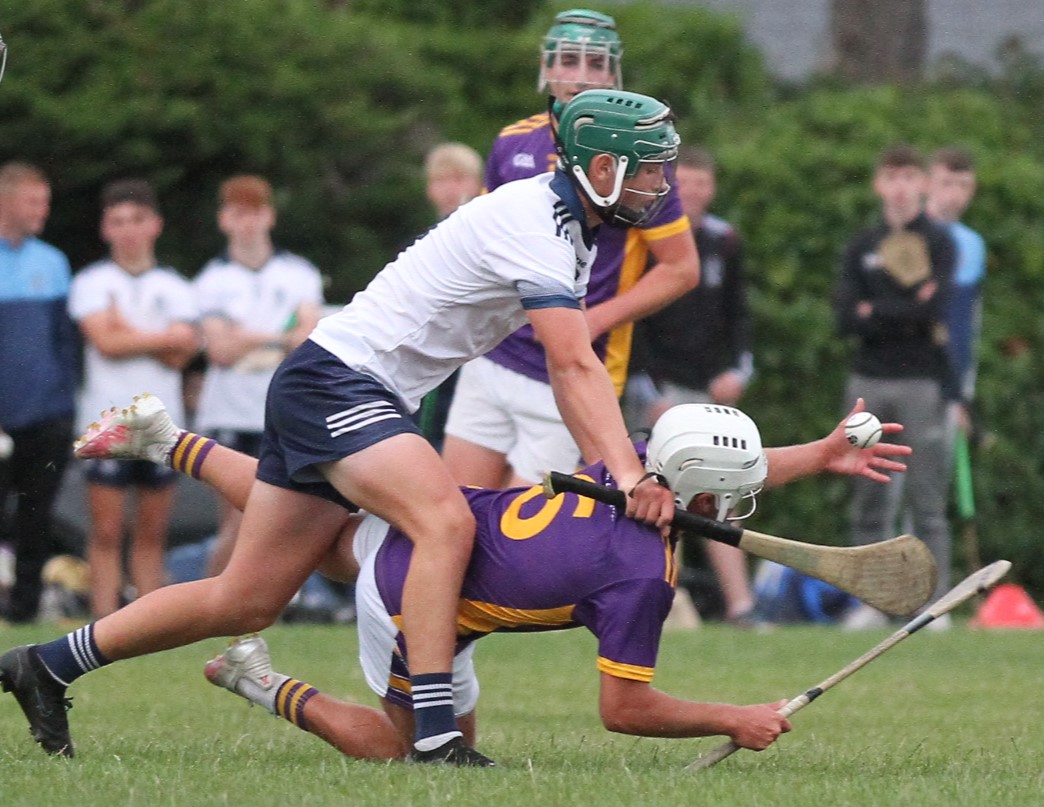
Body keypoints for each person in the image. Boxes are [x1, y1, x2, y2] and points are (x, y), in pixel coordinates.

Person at [0, 89, 678, 764]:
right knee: (445, 520)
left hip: (336, 382)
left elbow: (570, 374)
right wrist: (629, 473)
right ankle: (438, 737)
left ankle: (47, 663)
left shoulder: (573, 229)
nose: (660, 183)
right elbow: (572, 365)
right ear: (601, 168)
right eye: (648, 167)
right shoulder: (539, 224)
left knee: (245, 600)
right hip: (342, 381)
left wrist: (608, 479)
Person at [76, 395, 907, 761]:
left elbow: (709, 465)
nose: (739, 495)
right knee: (407, 749)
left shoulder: (614, 465)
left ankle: (167, 438)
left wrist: (825, 455)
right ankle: (260, 681)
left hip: (434, 516)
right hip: (415, 596)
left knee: (310, 524)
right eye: (727, 490)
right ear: (689, 491)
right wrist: (738, 716)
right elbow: (623, 710)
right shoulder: (641, 575)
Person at [442, 8, 700, 489]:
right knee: (457, 506)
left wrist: (594, 319)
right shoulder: (512, 142)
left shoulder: (637, 147)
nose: (581, 75)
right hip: (494, 356)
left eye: (596, 63)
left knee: (523, 532)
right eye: (568, 59)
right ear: (547, 67)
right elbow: (485, 246)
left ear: (614, 73)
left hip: (572, 370)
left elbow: (681, 268)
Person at [627, 145, 759, 628]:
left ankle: (743, 606)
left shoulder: (725, 241)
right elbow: (633, 322)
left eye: (702, 182)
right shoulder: (646, 237)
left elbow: (740, 317)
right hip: (660, 393)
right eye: (685, 182)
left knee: (720, 494)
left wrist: (738, 374)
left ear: (712, 187)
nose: (694, 191)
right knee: (654, 498)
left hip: (710, 396)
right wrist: (649, 391)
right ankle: (658, 602)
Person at [832, 144, 957, 631]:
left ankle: (935, 603)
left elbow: (936, 309)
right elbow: (845, 317)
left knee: (927, 498)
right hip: (867, 381)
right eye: (892, 176)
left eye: (909, 176)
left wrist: (875, 310)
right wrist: (901, 309)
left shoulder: (941, 243)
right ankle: (872, 600)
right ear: (879, 184)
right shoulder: (861, 244)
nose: (901, 186)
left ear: (923, 183)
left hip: (922, 380)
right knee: (869, 498)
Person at [67, 179, 200, 617]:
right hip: (105, 421)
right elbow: (105, 342)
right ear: (105, 228)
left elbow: (183, 354)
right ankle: (103, 625)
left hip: (162, 422)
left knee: (152, 533)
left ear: (155, 225)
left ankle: (148, 622)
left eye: (136, 220)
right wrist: (160, 337)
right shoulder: (92, 282)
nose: (127, 230)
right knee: (106, 532)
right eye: (117, 221)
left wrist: (128, 330)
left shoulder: (177, 286)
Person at [193, 175, 325, 575]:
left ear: (268, 216)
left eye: (254, 213)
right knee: (237, 517)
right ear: (224, 220)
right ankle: (212, 596)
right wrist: (276, 338)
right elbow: (220, 350)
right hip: (230, 411)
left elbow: (306, 338)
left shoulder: (299, 273)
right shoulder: (212, 279)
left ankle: (231, 601)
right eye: (237, 214)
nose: (247, 223)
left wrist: (247, 337)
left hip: (281, 409)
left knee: (269, 516)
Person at [0, 162, 77, 625]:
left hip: (45, 412)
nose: (43, 210)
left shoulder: (52, 262)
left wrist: (66, 404)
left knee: (36, 513)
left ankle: (24, 609)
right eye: (34, 201)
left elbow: (62, 342)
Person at [412, 143, 484, 453]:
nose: (450, 189)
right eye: (442, 180)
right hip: (436, 349)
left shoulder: (483, 229)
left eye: (459, 179)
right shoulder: (424, 239)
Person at [926, 147, 985, 438]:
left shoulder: (973, 244)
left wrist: (962, 390)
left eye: (964, 185)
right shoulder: (908, 237)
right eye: (947, 183)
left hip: (950, 386)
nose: (956, 194)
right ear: (928, 185)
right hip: (909, 375)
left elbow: (968, 321)